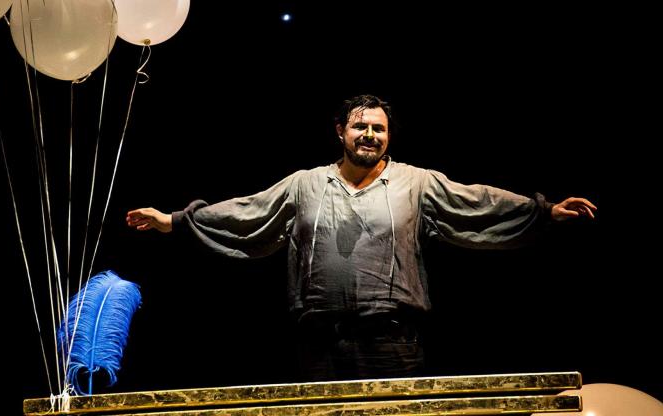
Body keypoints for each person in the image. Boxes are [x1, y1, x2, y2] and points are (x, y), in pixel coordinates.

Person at [125, 94, 596, 381]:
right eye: (360, 126)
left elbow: (476, 202)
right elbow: (248, 211)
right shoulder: (305, 183)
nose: (369, 135)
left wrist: (543, 210)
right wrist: (175, 221)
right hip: (319, 343)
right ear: (341, 131)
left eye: (378, 129)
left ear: (388, 136)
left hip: (392, 342)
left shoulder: (416, 182)